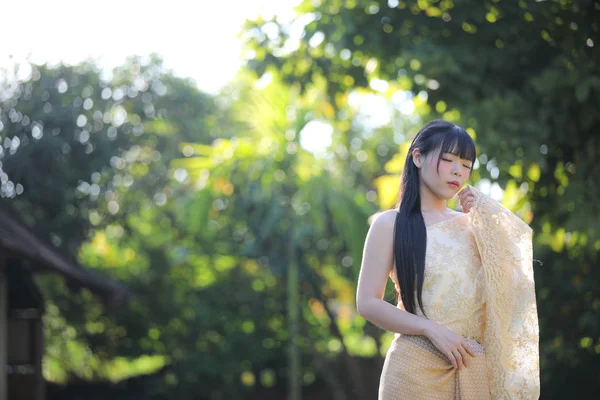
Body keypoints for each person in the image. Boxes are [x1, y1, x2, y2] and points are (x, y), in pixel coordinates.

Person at [355, 120, 540, 399]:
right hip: (414, 372)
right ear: (417, 157)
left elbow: (513, 290)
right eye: (448, 159)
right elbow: (367, 302)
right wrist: (430, 329)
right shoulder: (390, 224)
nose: (458, 171)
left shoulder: (473, 225)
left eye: (466, 165)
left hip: (474, 371)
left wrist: (490, 219)